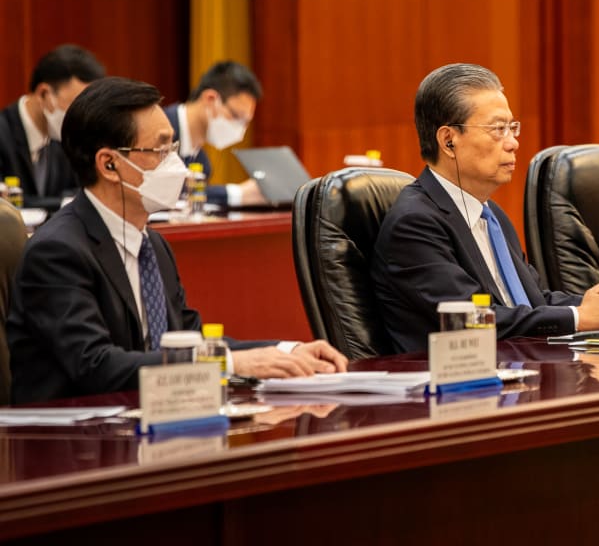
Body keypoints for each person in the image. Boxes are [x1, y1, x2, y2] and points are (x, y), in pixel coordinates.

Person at [5, 76, 347, 403]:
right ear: (109, 165)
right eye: (160, 149)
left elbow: (187, 340)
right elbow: (96, 366)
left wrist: (285, 351)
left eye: (173, 146)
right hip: (68, 434)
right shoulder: (58, 251)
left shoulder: (154, 246)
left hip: (147, 420)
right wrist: (229, 363)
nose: (176, 163)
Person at [371, 63, 599, 353]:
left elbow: (529, 301)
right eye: (498, 129)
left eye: (512, 128)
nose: (513, 143)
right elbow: (472, 319)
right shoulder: (415, 223)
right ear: (448, 141)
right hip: (453, 377)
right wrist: (579, 317)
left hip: (517, 366)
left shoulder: (491, 216)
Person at [0, 44, 105, 210]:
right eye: (76, 105)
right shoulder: (3, 132)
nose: (81, 116)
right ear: (44, 93)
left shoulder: (66, 138)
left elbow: (84, 190)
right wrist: (63, 202)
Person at [164, 60, 266, 206]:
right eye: (236, 116)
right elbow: (163, 193)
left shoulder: (202, 163)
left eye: (245, 122)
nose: (241, 130)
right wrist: (237, 193)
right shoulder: (158, 130)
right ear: (210, 99)